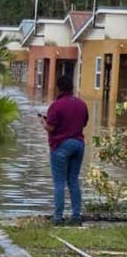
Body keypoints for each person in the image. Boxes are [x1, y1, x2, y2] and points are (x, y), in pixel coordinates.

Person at [41, 75, 89, 224]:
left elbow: (50, 128)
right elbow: (84, 123)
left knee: (59, 182)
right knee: (73, 180)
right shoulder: (81, 104)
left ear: (58, 88)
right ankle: (76, 216)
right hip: (79, 145)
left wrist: (43, 122)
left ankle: (58, 217)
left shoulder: (56, 105)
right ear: (72, 88)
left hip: (61, 145)